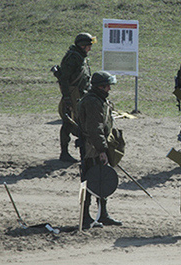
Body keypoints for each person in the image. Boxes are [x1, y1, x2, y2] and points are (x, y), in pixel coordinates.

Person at [77, 71, 122, 229]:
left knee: (102, 179)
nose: (109, 88)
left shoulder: (99, 100)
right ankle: (85, 216)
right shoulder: (93, 102)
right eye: (107, 86)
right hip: (92, 148)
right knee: (91, 180)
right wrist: (102, 150)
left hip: (98, 145)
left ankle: (103, 214)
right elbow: (95, 129)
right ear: (100, 87)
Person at [58, 33, 96, 162]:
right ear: (82, 46)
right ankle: (64, 153)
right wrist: (67, 98)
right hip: (73, 95)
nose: (90, 49)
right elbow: (64, 79)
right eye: (88, 46)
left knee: (82, 122)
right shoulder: (72, 58)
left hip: (81, 94)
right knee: (69, 122)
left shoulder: (80, 57)